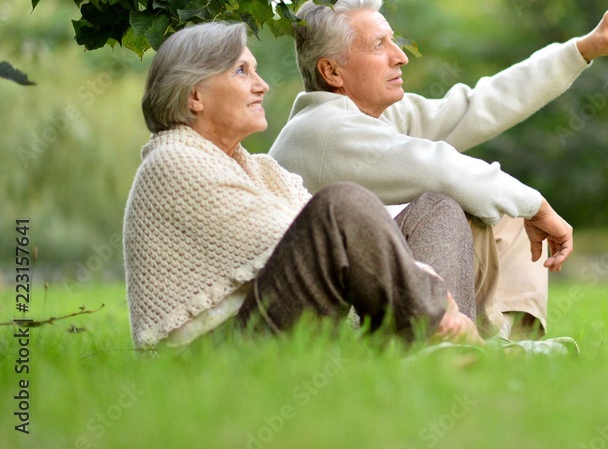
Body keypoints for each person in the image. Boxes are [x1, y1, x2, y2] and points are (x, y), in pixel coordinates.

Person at [269, 0, 608, 337]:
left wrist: (583, 49)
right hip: (330, 319)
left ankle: (513, 344)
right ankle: (455, 345)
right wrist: (537, 205)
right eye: (379, 45)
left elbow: (480, 105)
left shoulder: (378, 116)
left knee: (503, 208)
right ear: (331, 71)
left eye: (394, 42)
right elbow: (438, 167)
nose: (400, 56)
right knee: (456, 205)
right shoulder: (322, 130)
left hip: (369, 297)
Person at [122, 21, 482, 350]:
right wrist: (421, 279)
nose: (261, 85)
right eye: (241, 71)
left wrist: (412, 274)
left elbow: (336, 244)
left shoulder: (262, 170)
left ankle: (438, 346)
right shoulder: (172, 161)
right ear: (194, 96)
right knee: (342, 203)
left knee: (436, 209)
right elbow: (311, 234)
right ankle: (444, 329)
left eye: (256, 71)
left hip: (276, 325)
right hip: (220, 353)